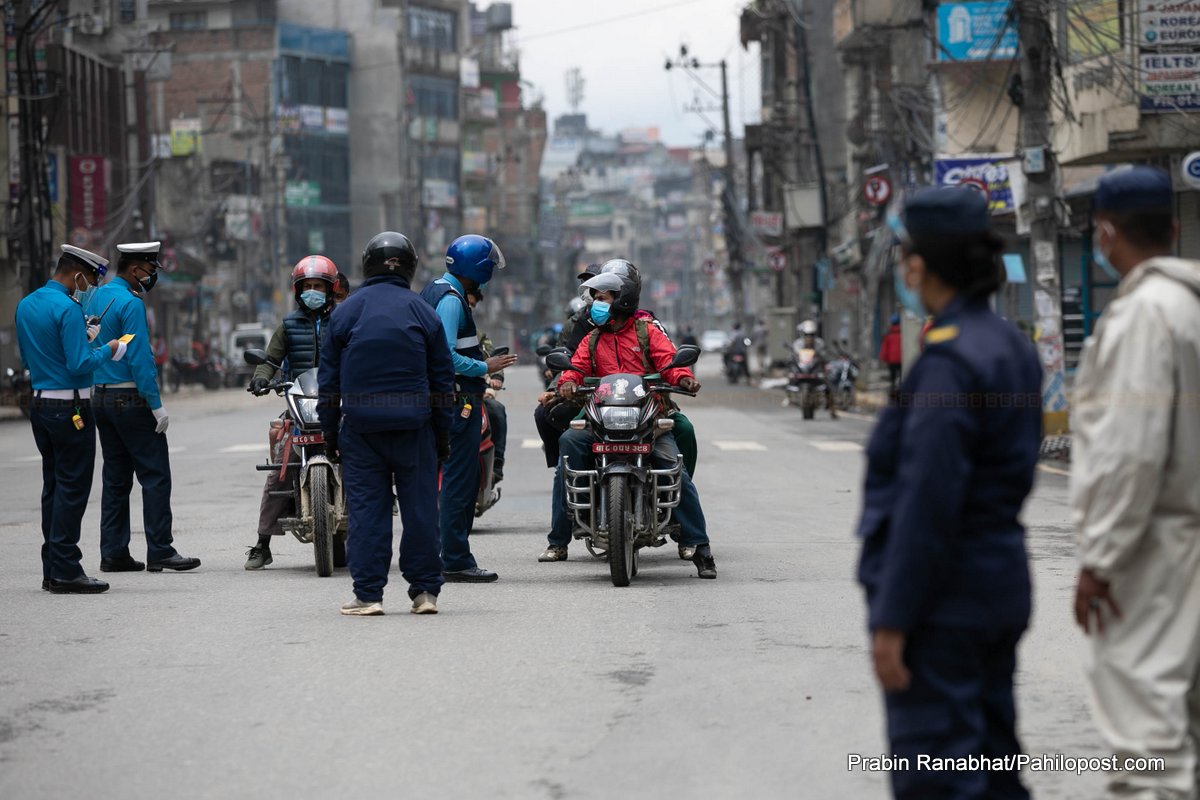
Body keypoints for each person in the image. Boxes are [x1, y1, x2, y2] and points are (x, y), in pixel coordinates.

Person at [855, 187, 1040, 799]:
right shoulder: (1009, 345)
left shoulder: (949, 362)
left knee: (938, 776)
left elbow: (927, 503)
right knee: (992, 764)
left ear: (920, 266)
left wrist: (894, 619)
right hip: (997, 583)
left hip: (944, 604)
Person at [1070, 167, 1200, 799]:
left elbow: (1131, 454)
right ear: (1173, 229)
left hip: (1157, 553)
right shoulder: (1190, 308)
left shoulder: (1144, 316)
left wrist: (1100, 560)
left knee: (1149, 748)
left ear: (1105, 232)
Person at [538, 270, 717, 578]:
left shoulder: (647, 332)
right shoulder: (593, 338)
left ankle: (699, 546)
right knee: (569, 444)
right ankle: (560, 537)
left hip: (647, 419)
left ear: (622, 301)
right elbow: (576, 368)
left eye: (602, 299)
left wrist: (683, 378)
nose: (596, 304)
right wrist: (566, 382)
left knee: (672, 466)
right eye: (595, 299)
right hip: (601, 418)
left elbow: (668, 361)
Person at [319, 231, 455, 615]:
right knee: (421, 512)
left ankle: (368, 595)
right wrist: (442, 434)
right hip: (416, 429)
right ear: (409, 267)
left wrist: (329, 432)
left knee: (367, 513)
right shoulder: (423, 312)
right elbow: (443, 380)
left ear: (367, 265)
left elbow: (329, 383)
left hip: (361, 431)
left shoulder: (345, 312)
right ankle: (425, 592)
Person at [15, 245, 127, 594]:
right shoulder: (68, 308)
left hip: (40, 405)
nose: (89, 286)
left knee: (54, 486)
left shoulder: (26, 304)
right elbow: (79, 364)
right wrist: (109, 348)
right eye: (89, 279)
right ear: (77, 273)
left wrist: (82, 336)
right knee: (73, 489)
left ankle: (52, 568)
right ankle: (66, 569)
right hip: (71, 408)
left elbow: (36, 357)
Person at [92, 241, 200, 574]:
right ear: (136, 269)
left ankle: (114, 553)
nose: (152, 276)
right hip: (130, 399)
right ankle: (161, 550)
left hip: (100, 397)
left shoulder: (94, 296)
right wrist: (155, 405)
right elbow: (139, 358)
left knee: (115, 479)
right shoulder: (131, 303)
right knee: (155, 476)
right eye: (151, 270)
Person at [419, 234, 518, 583]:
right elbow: (445, 357)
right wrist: (484, 367)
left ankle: (441, 554)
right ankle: (456, 559)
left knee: (447, 480)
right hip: (458, 400)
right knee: (459, 482)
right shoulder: (450, 300)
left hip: (445, 398)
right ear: (477, 269)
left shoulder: (435, 290)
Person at [243, 255, 339, 570]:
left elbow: (360, 352)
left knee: (367, 461)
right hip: (301, 406)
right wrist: (261, 378)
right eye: (307, 286)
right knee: (278, 473)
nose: (313, 291)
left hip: (339, 404)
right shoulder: (288, 325)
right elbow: (271, 360)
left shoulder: (343, 320)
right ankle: (262, 543)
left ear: (330, 289)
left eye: (318, 286)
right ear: (298, 291)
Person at [466, 288, 508, 483]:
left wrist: (496, 377)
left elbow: (492, 357)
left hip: (473, 393)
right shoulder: (436, 331)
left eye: (472, 305)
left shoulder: (478, 336)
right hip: (444, 394)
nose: (468, 308)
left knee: (496, 410)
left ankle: (496, 464)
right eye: (465, 303)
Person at [792, 319, 838, 419]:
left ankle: (832, 409)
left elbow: (825, 355)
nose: (809, 337)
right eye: (807, 335)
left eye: (811, 335)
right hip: (802, 369)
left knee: (828, 385)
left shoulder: (819, 343)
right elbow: (794, 356)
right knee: (791, 378)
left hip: (816, 369)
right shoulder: (798, 344)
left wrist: (823, 359)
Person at [879, 314, 902, 391]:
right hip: (901, 359)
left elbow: (885, 348)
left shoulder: (888, 334)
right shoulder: (902, 333)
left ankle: (893, 387)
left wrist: (883, 358)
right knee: (901, 374)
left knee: (893, 375)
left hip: (892, 359)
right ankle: (901, 387)